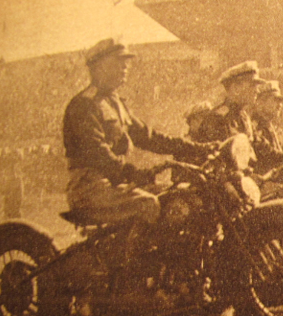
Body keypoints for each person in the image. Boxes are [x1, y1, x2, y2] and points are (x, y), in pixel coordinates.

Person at [63, 38, 212, 225]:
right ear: (99, 67)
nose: (125, 67)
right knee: (148, 203)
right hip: (90, 187)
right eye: (118, 62)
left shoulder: (115, 103)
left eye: (126, 63)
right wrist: (131, 172)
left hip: (115, 183)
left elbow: (149, 137)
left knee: (177, 195)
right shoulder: (84, 104)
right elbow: (96, 151)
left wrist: (196, 148)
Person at [190, 61, 265, 143]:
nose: (257, 91)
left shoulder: (244, 116)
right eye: (253, 85)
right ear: (236, 88)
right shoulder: (217, 119)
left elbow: (259, 146)